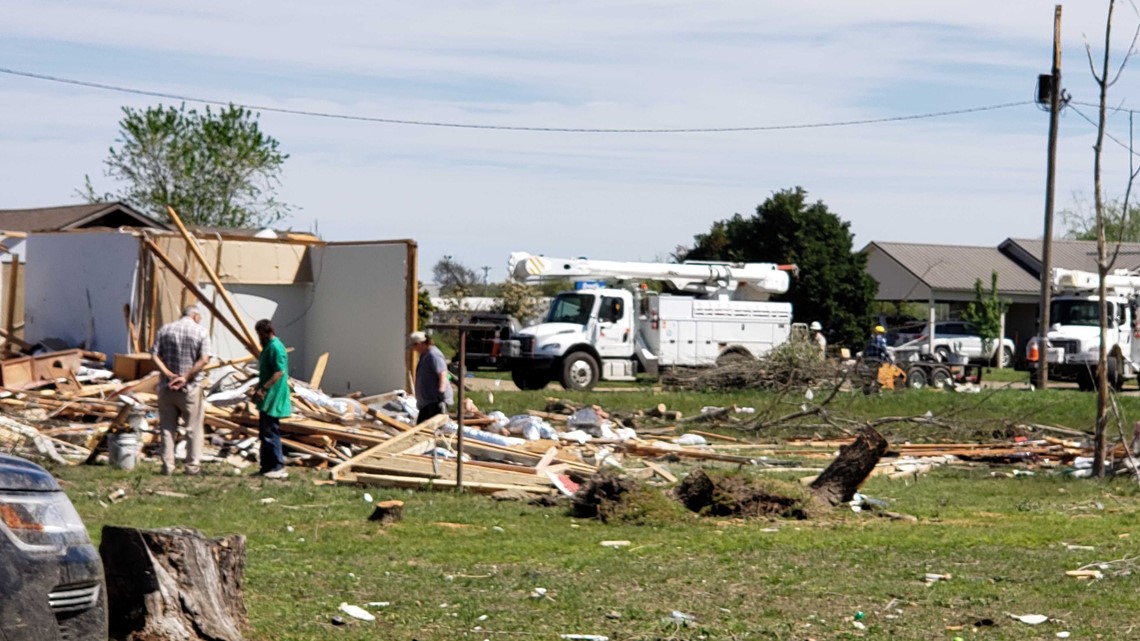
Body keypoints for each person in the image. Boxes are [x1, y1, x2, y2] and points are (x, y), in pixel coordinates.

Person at [150, 305, 211, 476]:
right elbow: (204, 359)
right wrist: (185, 376)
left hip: (167, 387)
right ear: (195, 316)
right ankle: (192, 466)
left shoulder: (165, 329)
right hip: (190, 387)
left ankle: (167, 466)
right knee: (193, 429)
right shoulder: (201, 332)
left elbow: (154, 355)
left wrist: (168, 374)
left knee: (167, 428)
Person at [251, 319, 291, 479]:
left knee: (271, 432)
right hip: (267, 395)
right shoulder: (268, 347)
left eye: (259, 334)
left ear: (265, 333)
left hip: (274, 395)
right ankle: (266, 466)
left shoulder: (276, 347)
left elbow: (279, 372)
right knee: (264, 432)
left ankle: (277, 466)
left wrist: (264, 389)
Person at [407, 331, 453, 423]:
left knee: (431, 429)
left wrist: (440, 395)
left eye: (414, 346)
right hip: (427, 402)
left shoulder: (434, 355)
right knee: (421, 429)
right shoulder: (425, 355)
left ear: (420, 344)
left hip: (435, 401)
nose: (414, 349)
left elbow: (443, 374)